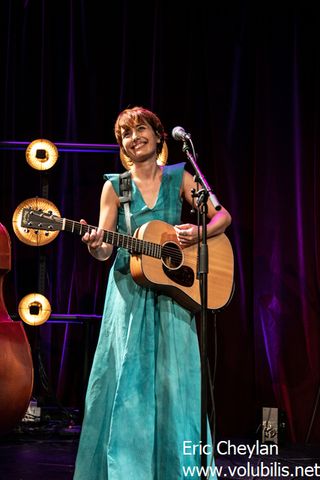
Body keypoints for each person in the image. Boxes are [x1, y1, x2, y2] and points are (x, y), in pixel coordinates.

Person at [73, 106, 232, 480]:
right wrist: (94, 244)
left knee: (175, 385)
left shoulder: (180, 177)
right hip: (129, 296)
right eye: (126, 134)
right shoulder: (115, 187)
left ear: (160, 136)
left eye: (141, 129)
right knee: (126, 382)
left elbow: (222, 216)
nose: (134, 138)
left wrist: (199, 232)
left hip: (174, 297)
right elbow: (104, 250)